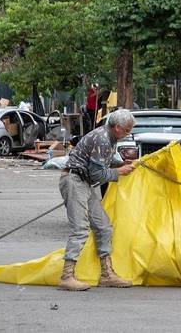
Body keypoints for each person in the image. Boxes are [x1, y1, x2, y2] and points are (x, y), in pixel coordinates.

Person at [58, 109, 136, 291]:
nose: (128, 134)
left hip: (83, 182)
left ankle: (107, 274)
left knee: (103, 226)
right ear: (117, 127)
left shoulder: (109, 138)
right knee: (80, 228)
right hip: (74, 180)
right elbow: (97, 172)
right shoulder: (102, 138)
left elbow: (101, 163)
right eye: (127, 130)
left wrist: (121, 164)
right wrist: (118, 172)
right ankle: (67, 276)